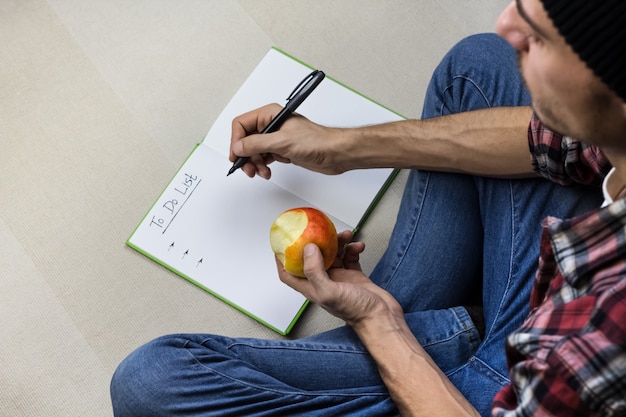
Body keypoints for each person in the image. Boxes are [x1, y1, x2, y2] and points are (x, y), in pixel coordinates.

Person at [110, 0, 626, 415]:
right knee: (477, 69)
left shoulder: (615, 325)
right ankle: (459, 333)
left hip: (514, 395)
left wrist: (380, 322)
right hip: (552, 325)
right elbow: (551, 139)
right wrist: (339, 147)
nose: (507, 20)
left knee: (154, 382)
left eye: (540, 34)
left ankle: (455, 345)